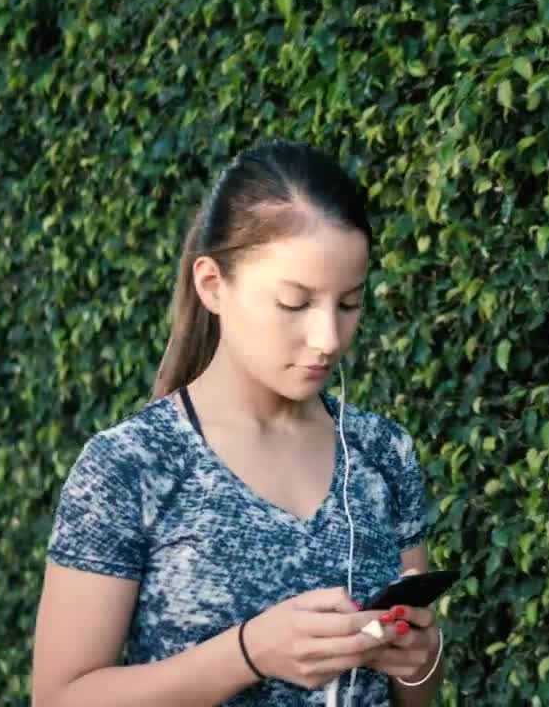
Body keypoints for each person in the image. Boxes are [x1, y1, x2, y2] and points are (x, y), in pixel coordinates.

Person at [32, 141, 444, 706]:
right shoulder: (130, 467)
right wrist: (247, 653)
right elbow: (58, 700)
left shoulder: (383, 452)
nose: (328, 339)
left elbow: (412, 697)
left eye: (348, 304)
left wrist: (419, 662)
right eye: (295, 303)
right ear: (212, 286)